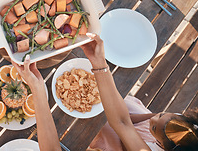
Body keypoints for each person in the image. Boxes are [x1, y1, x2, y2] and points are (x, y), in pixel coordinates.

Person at [13, 33, 198, 151]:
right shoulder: (185, 132)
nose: (154, 118)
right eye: (163, 114)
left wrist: (37, 89)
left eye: (155, 127)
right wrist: (99, 64)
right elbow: (122, 122)